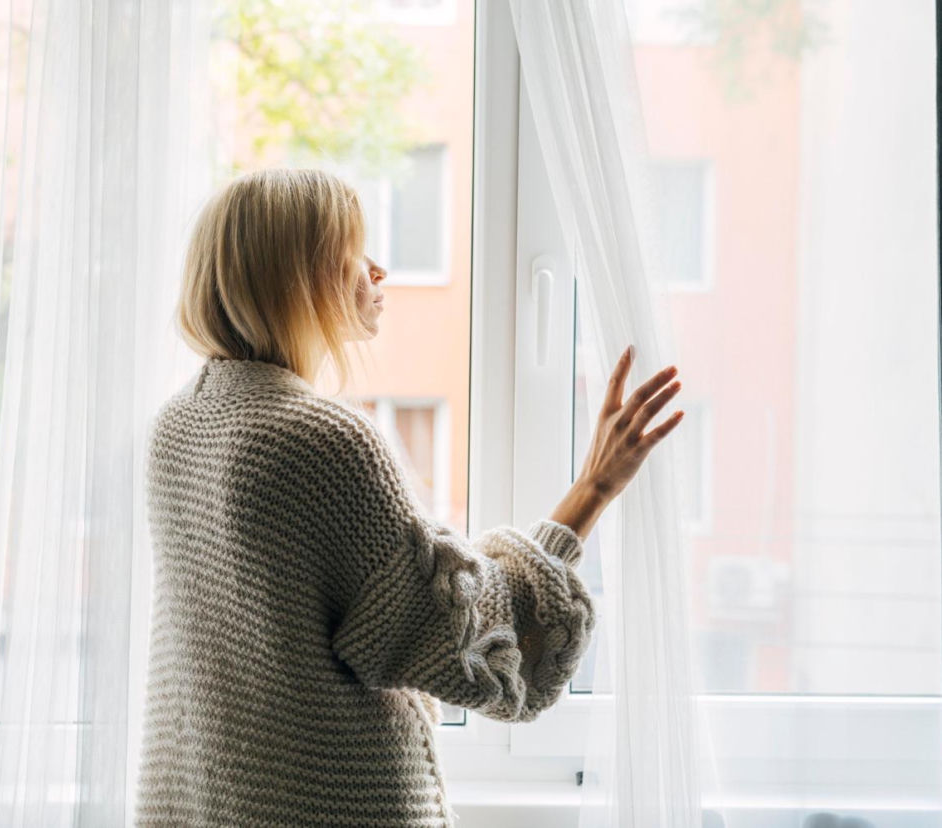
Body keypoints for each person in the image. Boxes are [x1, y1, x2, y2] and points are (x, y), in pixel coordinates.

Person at [134, 167, 684, 827]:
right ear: (296, 277)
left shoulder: (179, 425)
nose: (378, 271)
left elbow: (384, 601)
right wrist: (592, 490)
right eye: (352, 255)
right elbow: (472, 641)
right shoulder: (321, 441)